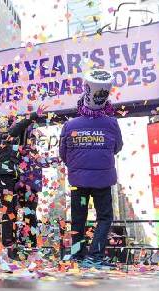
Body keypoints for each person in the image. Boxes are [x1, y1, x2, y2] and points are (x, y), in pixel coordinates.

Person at [59, 69, 123, 269]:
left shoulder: (70, 125)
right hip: (102, 182)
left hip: (79, 183)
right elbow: (118, 147)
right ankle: (95, 255)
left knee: (78, 218)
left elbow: (63, 153)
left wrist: (77, 165)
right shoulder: (111, 123)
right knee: (104, 217)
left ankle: (78, 256)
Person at [0, 113, 38, 260]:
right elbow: (16, 129)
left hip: (14, 177)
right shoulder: (1, 139)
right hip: (4, 176)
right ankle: (8, 247)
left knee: (15, 211)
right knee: (9, 210)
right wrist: (33, 116)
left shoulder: (12, 143)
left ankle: (15, 247)